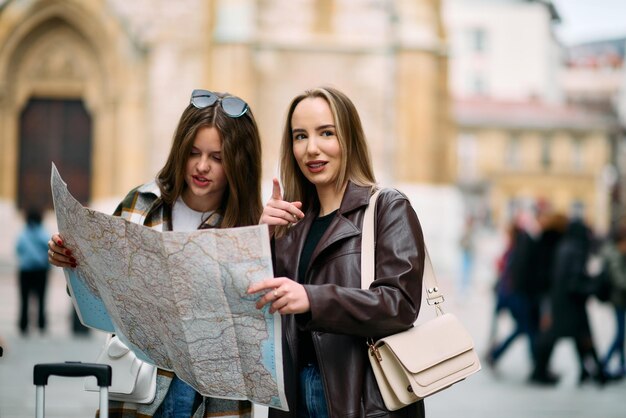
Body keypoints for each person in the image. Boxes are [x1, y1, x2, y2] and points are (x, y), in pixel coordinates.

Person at [47, 89, 263, 418]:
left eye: (217, 158)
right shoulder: (142, 203)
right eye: (193, 153)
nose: (202, 166)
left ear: (238, 161)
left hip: (214, 398)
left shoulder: (247, 228)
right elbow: (95, 295)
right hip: (140, 386)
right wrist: (72, 264)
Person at [247, 86, 426, 417]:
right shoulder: (290, 223)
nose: (311, 149)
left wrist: (314, 300)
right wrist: (260, 239)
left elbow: (400, 304)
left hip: (360, 398)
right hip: (293, 398)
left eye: (325, 133)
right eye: (300, 136)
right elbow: (258, 314)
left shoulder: (387, 207)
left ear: (349, 139)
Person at [530, 219, 607, 386]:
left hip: (560, 301)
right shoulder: (576, 249)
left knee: (568, 337)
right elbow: (574, 280)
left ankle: (588, 371)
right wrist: (593, 285)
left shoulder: (563, 246)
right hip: (572, 304)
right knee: (582, 336)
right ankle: (597, 373)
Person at [15, 209, 50, 335]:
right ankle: (41, 325)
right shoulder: (43, 233)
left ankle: (23, 325)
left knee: (24, 299)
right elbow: (49, 248)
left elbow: (18, 249)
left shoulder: (23, 234)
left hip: (25, 270)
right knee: (41, 299)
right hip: (41, 270)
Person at [600, 223, 626, 378]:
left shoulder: (617, 253)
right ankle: (604, 362)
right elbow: (619, 279)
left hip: (620, 299)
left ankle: (621, 363)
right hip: (619, 299)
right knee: (620, 334)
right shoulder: (615, 255)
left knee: (620, 334)